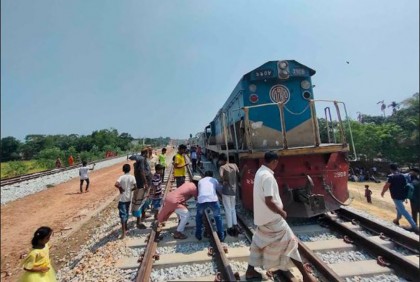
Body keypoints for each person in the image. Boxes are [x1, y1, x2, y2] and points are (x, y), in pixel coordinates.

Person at [245, 151, 316, 282]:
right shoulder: (268, 177)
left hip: (262, 218)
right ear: (274, 162)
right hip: (272, 218)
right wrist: (281, 212)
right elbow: (269, 201)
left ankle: (250, 271)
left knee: (258, 242)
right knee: (291, 241)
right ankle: (306, 277)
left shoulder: (260, 173)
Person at [157, 175, 201, 239]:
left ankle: (180, 222)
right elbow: (197, 198)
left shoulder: (187, 183)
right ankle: (178, 233)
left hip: (169, 197)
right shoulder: (194, 188)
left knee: (180, 210)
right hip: (174, 201)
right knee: (186, 214)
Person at [381, 164, 418, 233]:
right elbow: (409, 176)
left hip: (396, 196)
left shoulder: (391, 177)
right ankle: (397, 220)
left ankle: (414, 226)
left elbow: (386, 186)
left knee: (403, 210)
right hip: (403, 195)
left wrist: (383, 192)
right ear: (397, 168)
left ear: (391, 169)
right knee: (399, 208)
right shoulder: (403, 175)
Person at [195, 171, 225, 242]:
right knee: (218, 217)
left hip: (202, 200)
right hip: (213, 199)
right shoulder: (214, 180)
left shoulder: (200, 181)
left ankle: (198, 235)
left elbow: (199, 191)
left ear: (204, 175)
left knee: (198, 217)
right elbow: (219, 189)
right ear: (212, 176)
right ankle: (221, 236)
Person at [218, 153, 241, 237]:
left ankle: (230, 227)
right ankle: (235, 224)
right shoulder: (234, 165)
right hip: (233, 190)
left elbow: (220, 176)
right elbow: (239, 174)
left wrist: (224, 180)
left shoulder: (222, 167)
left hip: (226, 191)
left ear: (222, 160)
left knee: (227, 209)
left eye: (220, 161)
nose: (219, 162)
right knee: (233, 208)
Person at [114, 164, 137, 239]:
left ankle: (123, 233)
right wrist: (130, 190)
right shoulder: (132, 177)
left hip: (122, 199)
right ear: (130, 169)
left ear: (123, 170)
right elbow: (135, 187)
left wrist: (120, 188)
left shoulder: (121, 177)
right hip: (129, 198)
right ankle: (126, 228)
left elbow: (116, 184)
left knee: (123, 215)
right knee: (126, 213)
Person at [132, 149, 149, 229]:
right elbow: (142, 172)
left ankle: (143, 215)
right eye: (148, 153)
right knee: (140, 202)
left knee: (143, 201)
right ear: (145, 153)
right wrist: (145, 183)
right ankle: (138, 222)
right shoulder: (141, 160)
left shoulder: (139, 160)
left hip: (140, 183)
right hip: (141, 184)